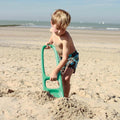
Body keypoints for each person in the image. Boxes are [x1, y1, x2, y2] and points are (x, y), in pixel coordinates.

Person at [45, 9, 79, 97]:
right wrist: (49, 43)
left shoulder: (65, 38)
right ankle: (62, 93)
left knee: (66, 78)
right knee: (60, 79)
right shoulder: (53, 31)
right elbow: (53, 37)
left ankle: (66, 98)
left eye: (63, 29)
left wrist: (55, 71)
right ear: (52, 23)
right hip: (61, 58)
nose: (60, 32)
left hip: (71, 57)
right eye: (58, 28)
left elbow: (65, 58)